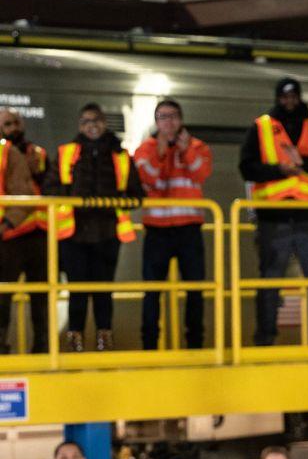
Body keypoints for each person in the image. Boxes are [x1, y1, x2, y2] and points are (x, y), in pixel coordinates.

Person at [238, 78, 308, 346]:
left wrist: (303, 162)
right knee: (270, 283)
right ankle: (265, 339)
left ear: (299, 97)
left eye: (293, 96)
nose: (289, 101)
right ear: (277, 98)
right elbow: (246, 168)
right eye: (284, 97)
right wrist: (279, 170)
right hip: (274, 217)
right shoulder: (261, 128)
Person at [43, 103, 144, 352]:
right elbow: (50, 188)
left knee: (103, 289)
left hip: (108, 233)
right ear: (80, 125)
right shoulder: (67, 153)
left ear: (104, 123)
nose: (92, 126)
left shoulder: (121, 157)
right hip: (74, 235)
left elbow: (137, 193)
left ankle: (104, 338)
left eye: (96, 120)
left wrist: (116, 199)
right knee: (77, 289)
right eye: (87, 121)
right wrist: (75, 196)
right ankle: (75, 338)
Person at [133, 99, 213, 350]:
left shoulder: (198, 146)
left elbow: (201, 173)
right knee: (153, 291)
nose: (169, 122)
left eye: (173, 116)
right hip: (157, 229)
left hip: (189, 227)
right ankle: (149, 346)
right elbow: (149, 178)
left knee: (194, 290)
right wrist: (161, 151)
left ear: (181, 120)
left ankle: (195, 345)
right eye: (163, 117)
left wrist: (185, 149)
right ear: (156, 122)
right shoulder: (145, 149)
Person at [0, 108, 50, 353]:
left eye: (17, 123)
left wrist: (37, 173)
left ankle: (43, 348)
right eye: (8, 124)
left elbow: (50, 185)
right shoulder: (4, 152)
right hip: (8, 237)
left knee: (41, 297)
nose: (13, 128)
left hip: (38, 233)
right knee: (2, 297)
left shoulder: (39, 153)